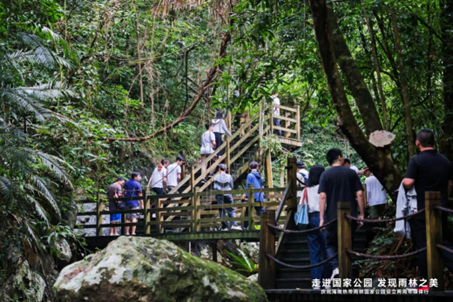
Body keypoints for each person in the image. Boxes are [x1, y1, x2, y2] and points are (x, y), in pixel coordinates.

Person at [402, 129, 453, 278]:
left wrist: (403, 181)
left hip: (420, 211)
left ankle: (425, 283)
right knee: (442, 243)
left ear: (417, 142)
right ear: (433, 141)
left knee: (423, 247)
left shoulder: (416, 160)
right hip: (440, 209)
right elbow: (450, 184)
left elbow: (409, 182)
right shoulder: (445, 161)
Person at [319, 148, 364, 279]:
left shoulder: (325, 175)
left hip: (333, 216)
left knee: (330, 244)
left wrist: (322, 218)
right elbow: (360, 193)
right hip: (351, 215)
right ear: (339, 157)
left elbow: (322, 196)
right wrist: (361, 214)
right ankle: (347, 272)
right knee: (349, 243)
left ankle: (336, 268)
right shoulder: (351, 173)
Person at [300, 165, 329, 285]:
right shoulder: (325, 188)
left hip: (310, 219)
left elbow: (302, 204)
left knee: (314, 252)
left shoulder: (306, 190)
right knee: (327, 251)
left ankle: (316, 283)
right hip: (325, 218)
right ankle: (327, 283)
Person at [213, 164, 242, 231]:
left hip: (219, 195)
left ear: (219, 170)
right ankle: (233, 225)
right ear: (226, 170)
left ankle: (224, 227)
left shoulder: (216, 177)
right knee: (231, 209)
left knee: (222, 210)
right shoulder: (229, 177)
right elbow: (231, 186)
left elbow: (215, 187)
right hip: (228, 194)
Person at [243, 161, 265, 230]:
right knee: (262, 212)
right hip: (259, 196)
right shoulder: (259, 175)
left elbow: (248, 186)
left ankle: (245, 227)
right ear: (257, 168)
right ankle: (266, 225)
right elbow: (262, 184)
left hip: (253, 196)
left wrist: (247, 196)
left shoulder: (250, 175)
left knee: (248, 212)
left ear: (250, 168)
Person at [123, 172, 143, 236]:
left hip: (127, 202)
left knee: (128, 218)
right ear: (135, 177)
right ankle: (133, 232)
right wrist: (142, 204)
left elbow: (123, 191)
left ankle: (127, 232)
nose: (140, 177)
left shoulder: (127, 182)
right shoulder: (137, 184)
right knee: (134, 217)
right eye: (139, 176)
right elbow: (140, 195)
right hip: (135, 203)